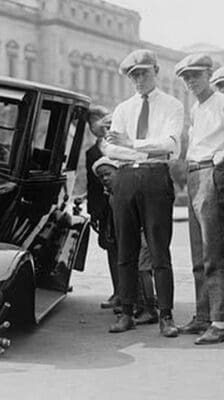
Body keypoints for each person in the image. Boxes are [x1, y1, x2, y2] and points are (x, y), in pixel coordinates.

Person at [102, 49, 183, 337]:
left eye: (143, 73)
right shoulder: (124, 108)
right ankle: (126, 313)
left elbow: (171, 145)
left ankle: (166, 316)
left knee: (159, 249)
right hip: (125, 177)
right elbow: (110, 148)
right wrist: (140, 145)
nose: (138, 79)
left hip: (155, 177)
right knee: (126, 249)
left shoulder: (172, 105)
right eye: (133, 75)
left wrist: (131, 142)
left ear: (156, 71)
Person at [176, 54, 224, 344]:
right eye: (186, 77)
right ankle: (203, 315)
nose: (191, 81)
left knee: (213, 252)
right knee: (197, 253)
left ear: (209, 74)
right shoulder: (196, 108)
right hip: (195, 173)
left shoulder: (222, 101)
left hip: (211, 172)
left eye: (196, 75)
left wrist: (219, 161)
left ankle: (219, 321)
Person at [92, 156, 158, 325]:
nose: (105, 179)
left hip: (143, 235)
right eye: (101, 177)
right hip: (131, 236)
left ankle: (150, 309)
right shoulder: (112, 194)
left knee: (143, 271)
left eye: (108, 174)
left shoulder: (129, 190)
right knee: (135, 269)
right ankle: (139, 305)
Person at [85, 107, 119, 309]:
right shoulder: (90, 152)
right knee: (111, 248)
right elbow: (91, 184)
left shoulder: (119, 146)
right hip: (104, 209)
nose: (94, 126)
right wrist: (93, 212)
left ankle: (136, 295)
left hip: (122, 204)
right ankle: (118, 292)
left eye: (96, 120)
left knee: (129, 249)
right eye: (90, 123)